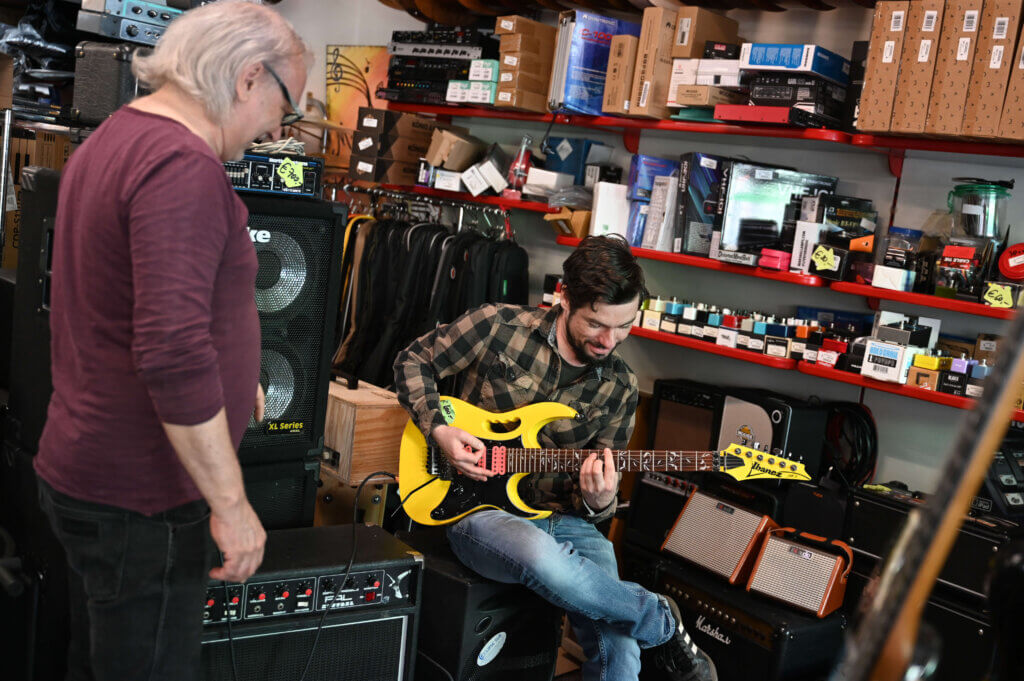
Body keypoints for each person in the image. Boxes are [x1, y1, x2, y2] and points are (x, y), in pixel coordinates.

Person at [31, 3, 312, 679]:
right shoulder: (180, 166)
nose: (280, 127)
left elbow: (132, 303)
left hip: (92, 471)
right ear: (248, 78)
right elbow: (170, 351)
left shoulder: (119, 136)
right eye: (287, 105)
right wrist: (234, 505)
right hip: (142, 497)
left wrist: (226, 363)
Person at [394, 235, 716, 681]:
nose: (611, 340)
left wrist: (599, 498)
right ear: (564, 298)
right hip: (473, 508)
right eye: (597, 324)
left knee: (620, 647)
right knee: (541, 555)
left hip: (562, 517)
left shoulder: (620, 387)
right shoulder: (497, 327)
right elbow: (412, 361)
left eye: (625, 326)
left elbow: (598, 509)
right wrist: (441, 430)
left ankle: (644, 622)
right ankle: (661, 621)